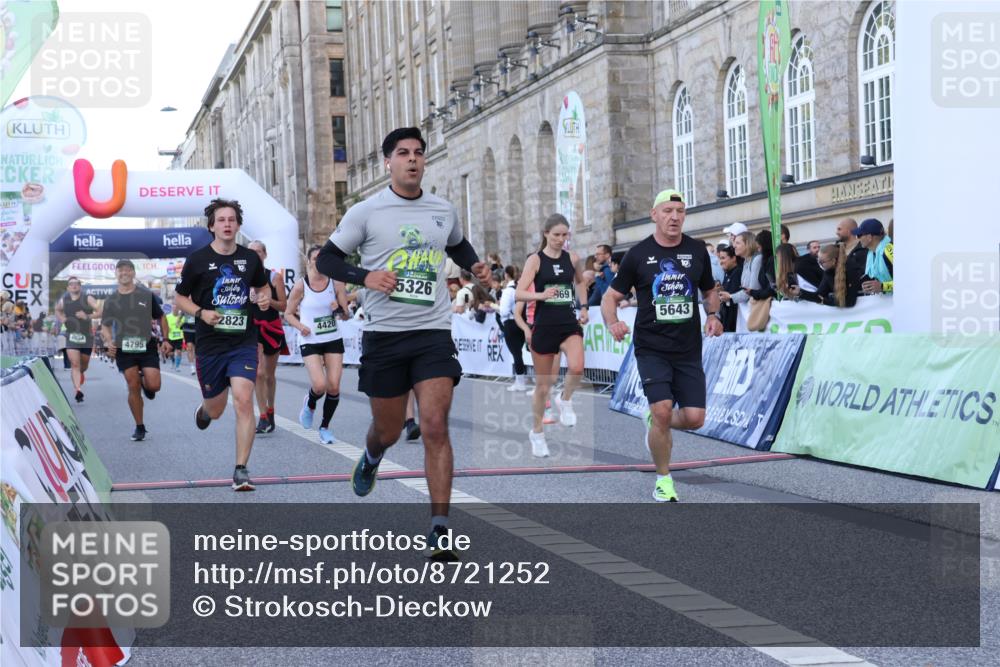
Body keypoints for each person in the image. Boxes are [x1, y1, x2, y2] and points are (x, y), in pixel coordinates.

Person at [315, 126, 491, 560]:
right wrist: (366, 276)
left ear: (423, 161)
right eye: (402, 153)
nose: (412, 159)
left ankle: (439, 528)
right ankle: (372, 455)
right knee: (389, 430)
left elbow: (457, 243)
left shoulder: (442, 209)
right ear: (387, 163)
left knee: (434, 425)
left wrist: (475, 266)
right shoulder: (367, 211)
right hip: (384, 335)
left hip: (432, 331)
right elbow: (327, 259)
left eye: (418, 153)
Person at [602, 189, 722, 502]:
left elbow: (710, 290)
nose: (674, 217)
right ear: (655, 215)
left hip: (687, 349)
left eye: (680, 211)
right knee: (663, 409)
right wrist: (612, 322)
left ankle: (656, 420)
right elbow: (610, 297)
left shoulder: (696, 250)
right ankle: (664, 479)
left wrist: (713, 315)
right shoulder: (638, 254)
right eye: (668, 211)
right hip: (651, 347)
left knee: (695, 418)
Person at [174, 199, 271, 492]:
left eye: (232, 219)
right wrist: (202, 312)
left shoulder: (251, 259)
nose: (227, 224)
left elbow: (261, 286)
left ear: (238, 225)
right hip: (210, 344)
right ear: (212, 226)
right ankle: (204, 410)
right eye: (221, 220)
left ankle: (241, 470)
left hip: (243, 341)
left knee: (243, 400)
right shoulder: (197, 260)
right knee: (216, 410)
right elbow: (179, 298)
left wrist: (264, 297)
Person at [515, 213, 589, 457]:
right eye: (556, 235)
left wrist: (584, 306)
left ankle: (565, 399)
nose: (560, 239)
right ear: (546, 234)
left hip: (568, 323)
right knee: (543, 386)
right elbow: (519, 294)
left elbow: (580, 282)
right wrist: (541, 296)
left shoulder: (572, 258)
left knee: (577, 367)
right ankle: (537, 432)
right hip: (544, 327)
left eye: (565, 235)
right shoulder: (535, 261)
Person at [284, 244, 349, 444]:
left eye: (322, 258)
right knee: (320, 385)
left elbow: (346, 315)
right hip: (310, 339)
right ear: (309, 262)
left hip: (332, 338)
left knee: (334, 386)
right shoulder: (300, 285)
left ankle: (325, 427)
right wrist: (300, 326)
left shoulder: (336, 284)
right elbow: (287, 314)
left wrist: (339, 308)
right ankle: (310, 403)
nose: (319, 262)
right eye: (315, 259)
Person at [100, 260, 167, 442]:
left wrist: (165, 340)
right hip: (124, 347)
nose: (124, 273)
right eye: (121, 270)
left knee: (154, 386)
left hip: (146, 345)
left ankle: (147, 384)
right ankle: (139, 426)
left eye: (128, 270)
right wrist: (109, 341)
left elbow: (160, 317)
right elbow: (105, 325)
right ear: (116, 273)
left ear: (133, 273)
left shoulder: (146, 294)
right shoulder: (111, 299)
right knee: (132, 385)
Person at [248, 240, 288, 435]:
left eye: (258, 251)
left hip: (271, 327)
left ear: (264, 254)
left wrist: (267, 299)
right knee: (258, 373)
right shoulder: (242, 279)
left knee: (270, 376)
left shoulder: (274, 277)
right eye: (251, 252)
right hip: (252, 329)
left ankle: (270, 410)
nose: (255, 255)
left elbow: (284, 306)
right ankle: (262, 416)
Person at [54, 277, 100, 402]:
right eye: (71, 284)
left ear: (80, 286)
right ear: (68, 287)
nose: (74, 286)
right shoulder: (64, 300)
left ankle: (81, 374)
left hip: (86, 336)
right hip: (71, 335)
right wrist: (62, 319)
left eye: (76, 284)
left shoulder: (87, 298)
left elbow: (100, 311)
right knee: (75, 364)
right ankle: (78, 390)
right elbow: (57, 310)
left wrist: (87, 316)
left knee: (83, 366)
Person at [795, 244, 858, 308]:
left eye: (822, 262)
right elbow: (819, 295)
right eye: (818, 262)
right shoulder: (828, 273)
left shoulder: (851, 268)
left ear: (833, 261)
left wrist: (825, 301)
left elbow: (850, 301)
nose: (820, 265)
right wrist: (799, 292)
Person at [499, 264, 528, 391]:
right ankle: (520, 380)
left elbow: (504, 311)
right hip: (522, 322)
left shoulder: (508, 291)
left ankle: (520, 382)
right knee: (519, 353)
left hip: (511, 323)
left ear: (506, 275)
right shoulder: (521, 289)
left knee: (516, 353)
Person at [853, 218, 893, 295]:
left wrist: (882, 287)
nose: (858, 239)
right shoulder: (871, 253)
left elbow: (906, 282)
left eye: (859, 235)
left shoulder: (889, 250)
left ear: (869, 237)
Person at [727, 231, 762, 311]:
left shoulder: (757, 260)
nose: (734, 246)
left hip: (757, 309)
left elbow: (753, 290)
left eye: (738, 243)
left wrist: (730, 296)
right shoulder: (746, 261)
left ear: (748, 244)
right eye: (734, 243)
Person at [717, 244, 742, 332]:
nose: (720, 261)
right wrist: (720, 291)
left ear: (733, 258)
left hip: (736, 322)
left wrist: (728, 296)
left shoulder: (738, 272)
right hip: (727, 319)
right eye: (720, 258)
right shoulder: (728, 273)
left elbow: (735, 295)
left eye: (723, 258)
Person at [164, 305, 185, 371]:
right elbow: (165, 325)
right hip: (171, 337)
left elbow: (182, 326)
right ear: (172, 309)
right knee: (171, 353)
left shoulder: (182, 317)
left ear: (178, 309)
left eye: (176, 308)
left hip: (179, 337)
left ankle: (177, 366)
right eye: (173, 308)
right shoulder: (168, 316)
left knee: (179, 352)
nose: (175, 309)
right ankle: (173, 361)